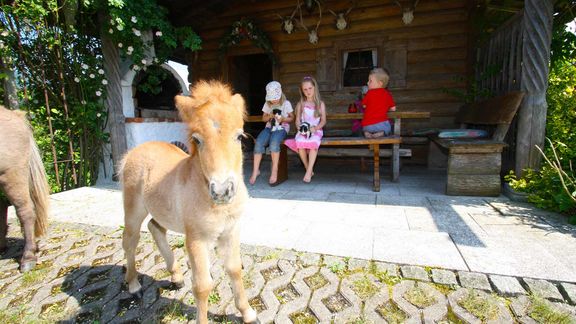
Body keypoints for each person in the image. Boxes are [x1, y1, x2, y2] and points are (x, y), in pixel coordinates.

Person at [249, 81, 294, 186]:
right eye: (271, 98)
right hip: (269, 127)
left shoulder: (286, 103)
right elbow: (263, 118)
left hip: (282, 128)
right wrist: (270, 116)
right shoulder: (267, 104)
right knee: (259, 142)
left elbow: (292, 117)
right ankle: (256, 171)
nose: (273, 100)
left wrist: (283, 118)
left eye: (275, 97)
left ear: (280, 94)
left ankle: (274, 169)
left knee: (274, 142)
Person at [285, 76, 327, 183]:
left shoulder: (320, 104)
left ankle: (308, 171)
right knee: (300, 142)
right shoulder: (301, 104)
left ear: (314, 88)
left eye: (310, 88)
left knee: (313, 143)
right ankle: (308, 168)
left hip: (315, 130)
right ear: (302, 91)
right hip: (303, 130)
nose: (308, 91)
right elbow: (297, 120)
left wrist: (315, 128)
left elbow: (323, 121)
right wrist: (299, 126)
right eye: (305, 89)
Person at [361, 68, 396, 138]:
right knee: (388, 128)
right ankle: (381, 133)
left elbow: (364, 106)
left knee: (364, 128)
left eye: (370, 81)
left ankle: (367, 133)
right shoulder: (387, 94)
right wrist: (385, 108)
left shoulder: (369, 93)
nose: (367, 83)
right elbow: (393, 109)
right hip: (381, 124)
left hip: (367, 125)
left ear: (380, 83)